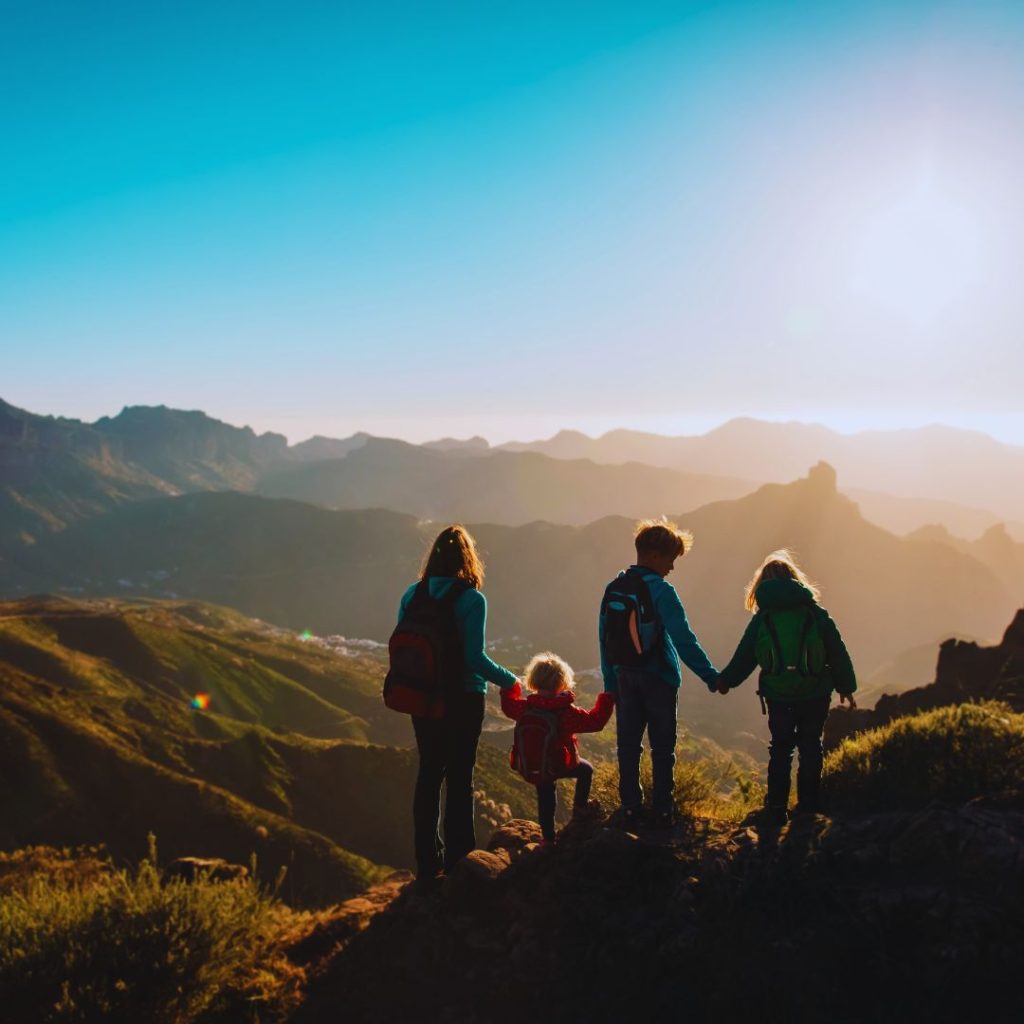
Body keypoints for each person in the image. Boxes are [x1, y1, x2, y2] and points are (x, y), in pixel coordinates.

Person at [398, 524, 518, 882]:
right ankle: (458, 861)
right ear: (468, 559)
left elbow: (404, 646)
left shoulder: (413, 594)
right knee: (460, 777)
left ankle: (426, 861)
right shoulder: (471, 599)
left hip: (421, 697)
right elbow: (474, 657)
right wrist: (510, 680)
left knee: (429, 773)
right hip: (463, 698)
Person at [716, 550, 857, 825]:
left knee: (780, 749)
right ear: (794, 579)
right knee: (811, 747)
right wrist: (846, 686)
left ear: (762, 585)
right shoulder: (815, 613)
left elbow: (745, 656)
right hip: (815, 693)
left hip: (778, 694)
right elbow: (837, 651)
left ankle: (777, 809)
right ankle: (808, 807)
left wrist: (726, 681)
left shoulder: (763, 618)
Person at [599, 519, 719, 828]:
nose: (672, 567)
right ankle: (663, 809)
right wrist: (710, 675)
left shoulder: (615, 588)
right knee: (662, 747)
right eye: (670, 559)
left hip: (624, 676)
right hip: (659, 678)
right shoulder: (663, 591)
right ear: (653, 555)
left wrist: (610, 682)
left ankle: (629, 807)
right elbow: (683, 639)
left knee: (628, 745)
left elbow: (604, 638)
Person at [501, 652, 615, 844]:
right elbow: (596, 722)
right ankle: (580, 809)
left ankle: (548, 838)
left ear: (534, 680)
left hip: (535, 764)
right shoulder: (565, 712)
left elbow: (507, 706)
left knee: (546, 797)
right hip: (561, 764)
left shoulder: (525, 708)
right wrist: (607, 697)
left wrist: (511, 687)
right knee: (586, 770)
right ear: (562, 681)